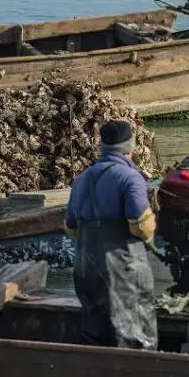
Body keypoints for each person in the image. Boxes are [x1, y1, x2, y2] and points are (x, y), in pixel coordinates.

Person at [63, 119, 158, 350]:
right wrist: (151, 239)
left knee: (94, 328)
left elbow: (70, 226)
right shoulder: (130, 178)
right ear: (131, 146)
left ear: (101, 146)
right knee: (134, 331)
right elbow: (141, 226)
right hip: (121, 268)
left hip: (85, 266)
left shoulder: (81, 179)